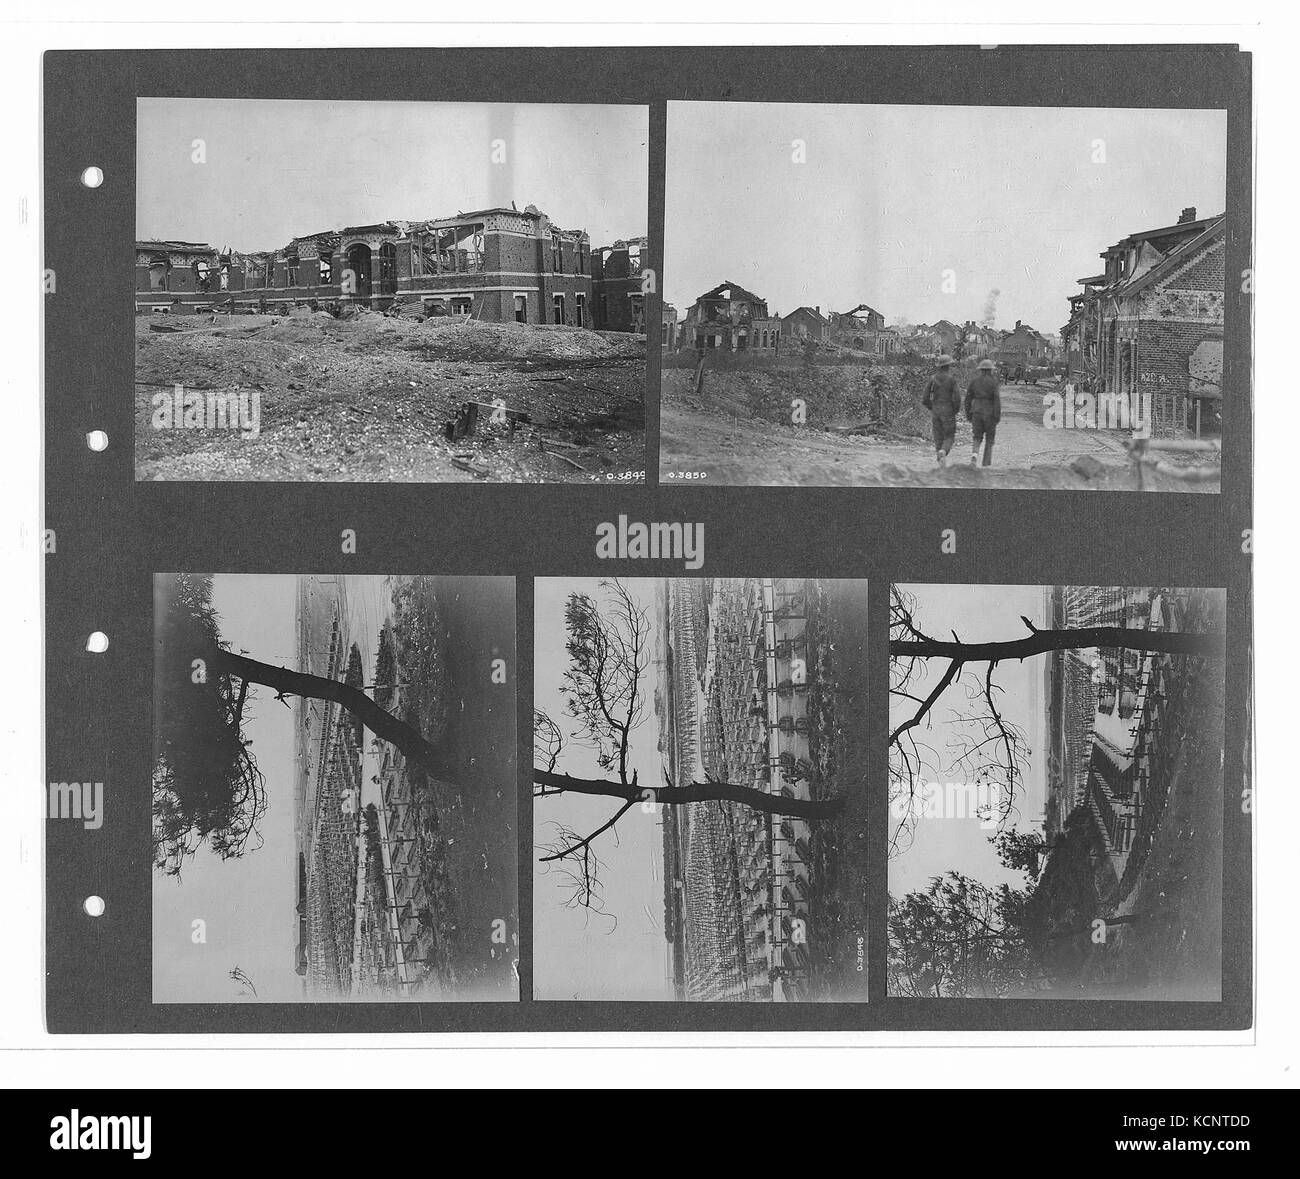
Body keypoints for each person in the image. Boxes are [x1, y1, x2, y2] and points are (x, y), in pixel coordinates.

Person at [922, 355, 961, 467]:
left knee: (938, 436)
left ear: (939, 366)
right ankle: (943, 452)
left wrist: (932, 407)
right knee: (949, 436)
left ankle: (940, 462)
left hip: (936, 410)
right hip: (948, 410)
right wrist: (955, 410)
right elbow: (957, 398)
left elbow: (925, 398)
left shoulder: (932, 379)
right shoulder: (952, 380)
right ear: (948, 366)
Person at [965, 358, 1002, 467]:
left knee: (977, 437)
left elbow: (967, 399)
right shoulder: (993, 382)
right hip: (989, 414)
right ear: (991, 370)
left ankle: (974, 455)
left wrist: (968, 414)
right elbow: (996, 400)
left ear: (980, 370)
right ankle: (986, 464)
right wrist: (997, 416)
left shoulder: (974, 382)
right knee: (989, 439)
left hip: (976, 412)